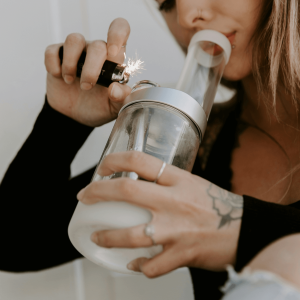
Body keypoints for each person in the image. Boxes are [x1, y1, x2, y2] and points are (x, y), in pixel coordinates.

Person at [0, 0, 300, 298]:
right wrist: (63, 122)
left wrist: (235, 226)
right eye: (166, 3)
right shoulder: (193, 146)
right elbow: (14, 243)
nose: (185, 17)